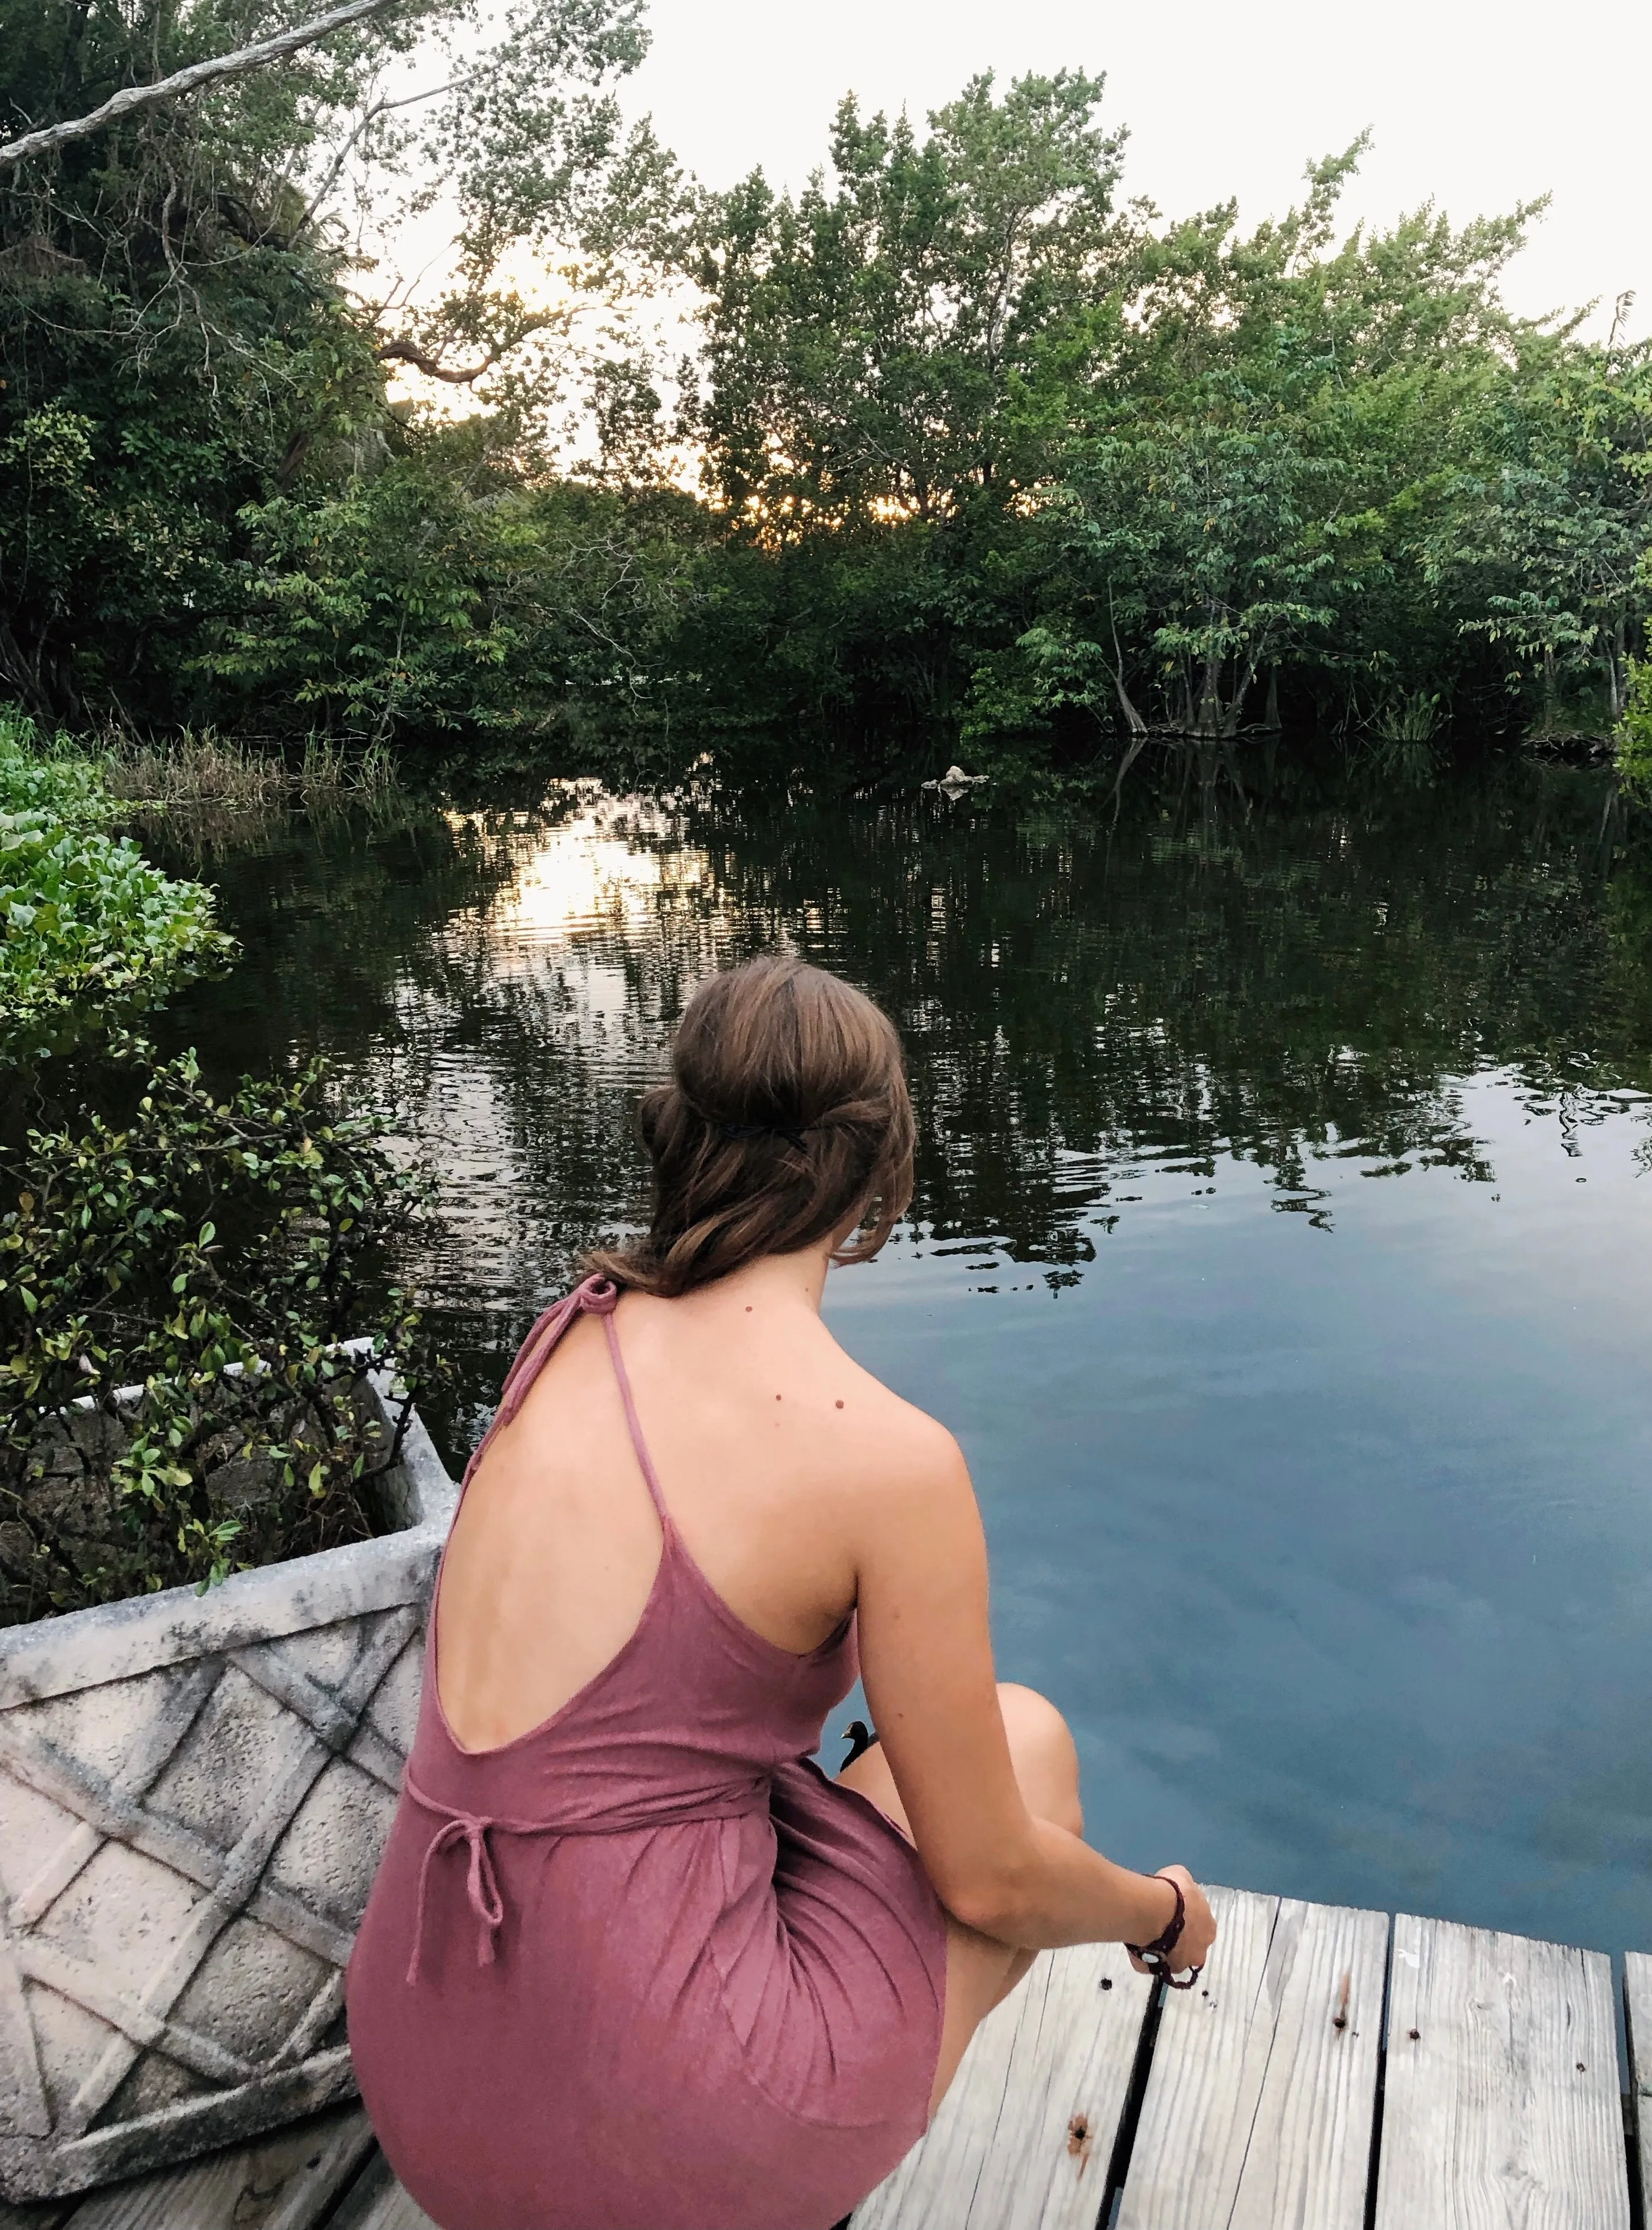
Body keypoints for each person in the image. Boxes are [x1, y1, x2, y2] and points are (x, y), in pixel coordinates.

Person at [346, 954, 1215, 2230]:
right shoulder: (886, 1458)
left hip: (425, 2074)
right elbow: (989, 1883)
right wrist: (1164, 1916)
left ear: (682, 1123)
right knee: (1021, 1748)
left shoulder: (569, 1328)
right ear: (882, 1167)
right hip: (661, 2148)